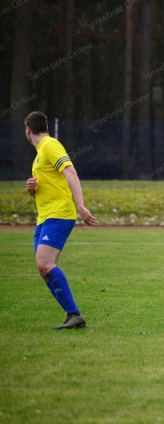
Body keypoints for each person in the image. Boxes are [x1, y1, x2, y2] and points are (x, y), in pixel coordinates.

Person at [25, 111, 99, 329]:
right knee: (43, 268)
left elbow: (71, 173)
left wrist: (81, 207)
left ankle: (75, 315)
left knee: (45, 263)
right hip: (44, 218)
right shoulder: (40, 154)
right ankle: (72, 315)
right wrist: (32, 189)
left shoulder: (50, 145)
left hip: (59, 215)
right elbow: (48, 185)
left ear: (28, 130)